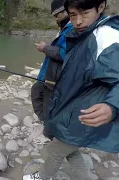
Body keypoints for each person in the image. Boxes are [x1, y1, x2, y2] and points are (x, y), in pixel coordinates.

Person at [24, 0, 119, 179]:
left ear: (101, 7)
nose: (78, 21)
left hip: (84, 114)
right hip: (72, 108)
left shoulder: (105, 36)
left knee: (56, 150)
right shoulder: (82, 32)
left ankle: (40, 177)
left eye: (84, 13)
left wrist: (112, 107)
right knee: (69, 150)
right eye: (73, 15)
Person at [31, 0, 73, 140]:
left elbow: (65, 54)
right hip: (47, 75)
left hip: (56, 79)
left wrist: (45, 48)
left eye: (57, 15)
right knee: (36, 91)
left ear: (65, 11)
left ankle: (52, 135)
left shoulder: (73, 29)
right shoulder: (63, 28)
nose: (55, 18)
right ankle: (48, 124)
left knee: (49, 106)